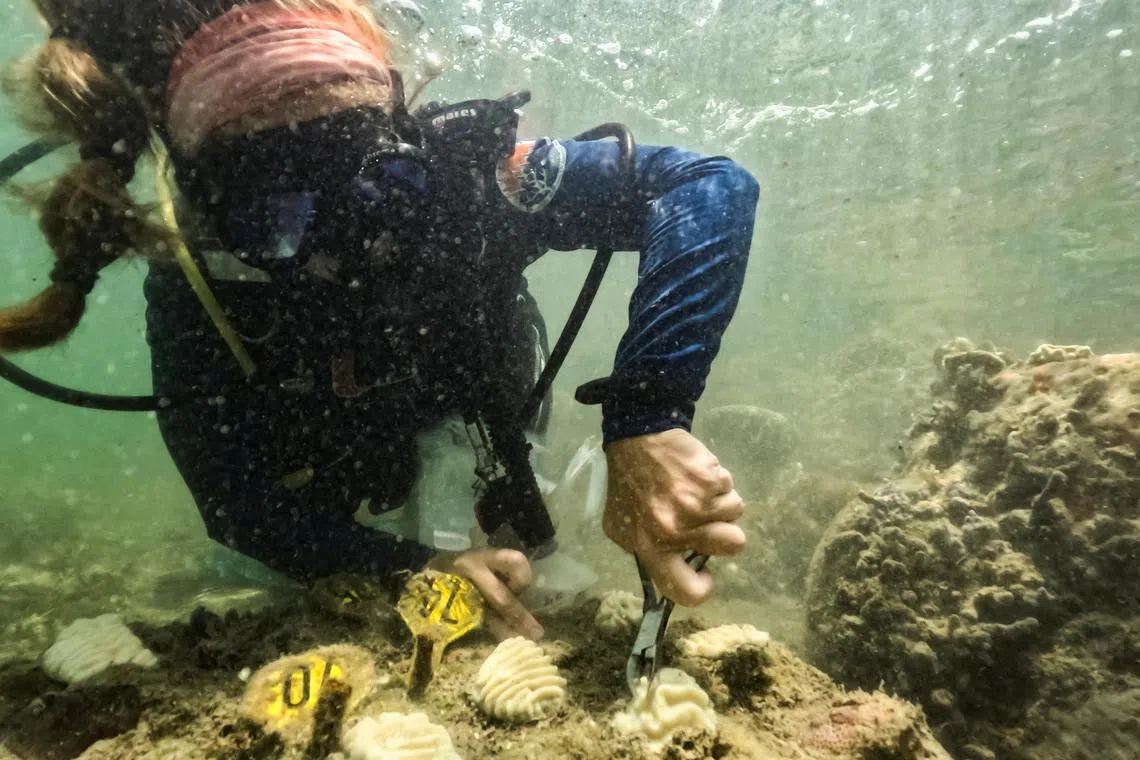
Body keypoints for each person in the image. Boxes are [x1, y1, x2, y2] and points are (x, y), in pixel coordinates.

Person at [0, 0, 758, 641]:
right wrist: (407, 571)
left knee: (509, 539)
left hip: (467, 406)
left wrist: (648, 414)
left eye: (382, 190)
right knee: (261, 575)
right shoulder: (199, 275)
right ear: (212, 208)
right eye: (280, 215)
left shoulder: (469, 178)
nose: (349, 248)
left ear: (407, 137)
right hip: (322, 471)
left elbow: (705, 185)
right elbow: (234, 501)